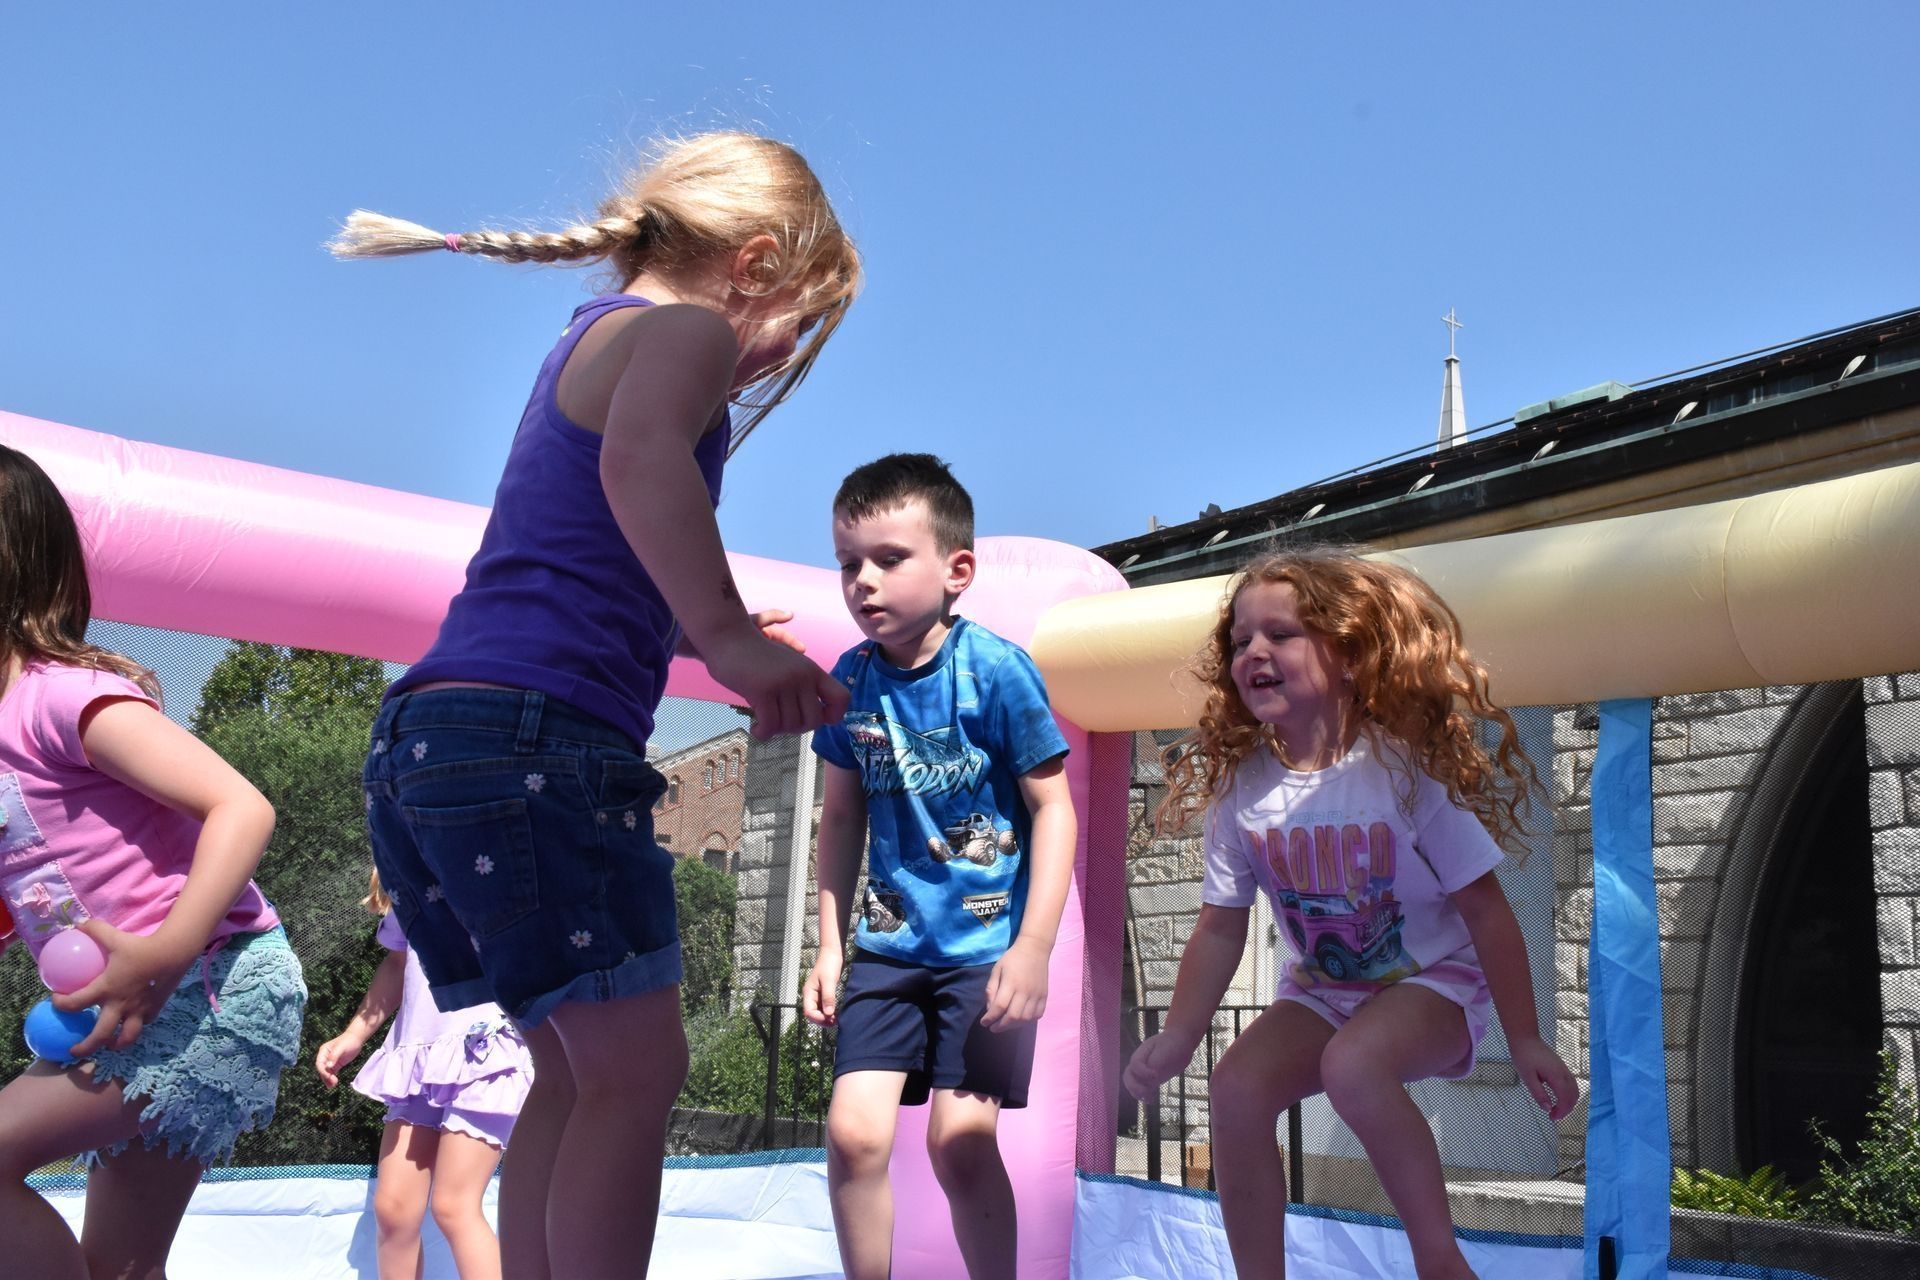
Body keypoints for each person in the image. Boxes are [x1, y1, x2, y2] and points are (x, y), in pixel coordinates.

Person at [331, 130, 860, 1279]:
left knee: (570, 1071)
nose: (777, 356)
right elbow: (639, 469)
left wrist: (683, 625)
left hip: (437, 739)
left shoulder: (587, 335)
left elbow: (572, 544)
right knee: (637, 1072)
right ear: (757, 264)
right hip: (534, 742)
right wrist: (719, 629)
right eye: (801, 324)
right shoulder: (685, 331)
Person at [1122, 547, 1578, 1280]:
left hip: (1434, 983)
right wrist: (1180, 1034)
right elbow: (1218, 926)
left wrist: (1525, 1037)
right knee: (1236, 1088)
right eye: (1241, 641)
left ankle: (1438, 1255)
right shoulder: (1243, 790)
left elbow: (1487, 911)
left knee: (1354, 1066)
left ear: (1347, 652)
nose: (1254, 653)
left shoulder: (1400, 772)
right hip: (1326, 990)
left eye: (1281, 634)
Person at [0, 442, 307, 1280]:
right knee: (122, 1269)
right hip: (129, 1001)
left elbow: (242, 805)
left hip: (208, 983)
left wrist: (165, 951)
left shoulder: (61, 697)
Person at [800, 453, 1078, 1280]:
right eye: (850, 563)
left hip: (986, 956)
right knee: (853, 1136)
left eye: (888, 559)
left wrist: (1033, 948)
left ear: (958, 570)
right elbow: (841, 814)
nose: (864, 581)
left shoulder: (995, 671)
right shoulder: (851, 680)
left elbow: (1053, 808)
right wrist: (827, 944)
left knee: (959, 1143)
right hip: (888, 950)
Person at [315, 872, 532, 1280]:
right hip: (418, 1060)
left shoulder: (491, 861)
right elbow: (398, 962)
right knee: (393, 1210)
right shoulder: (406, 878)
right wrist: (353, 1035)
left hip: (485, 1053)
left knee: (453, 1206)